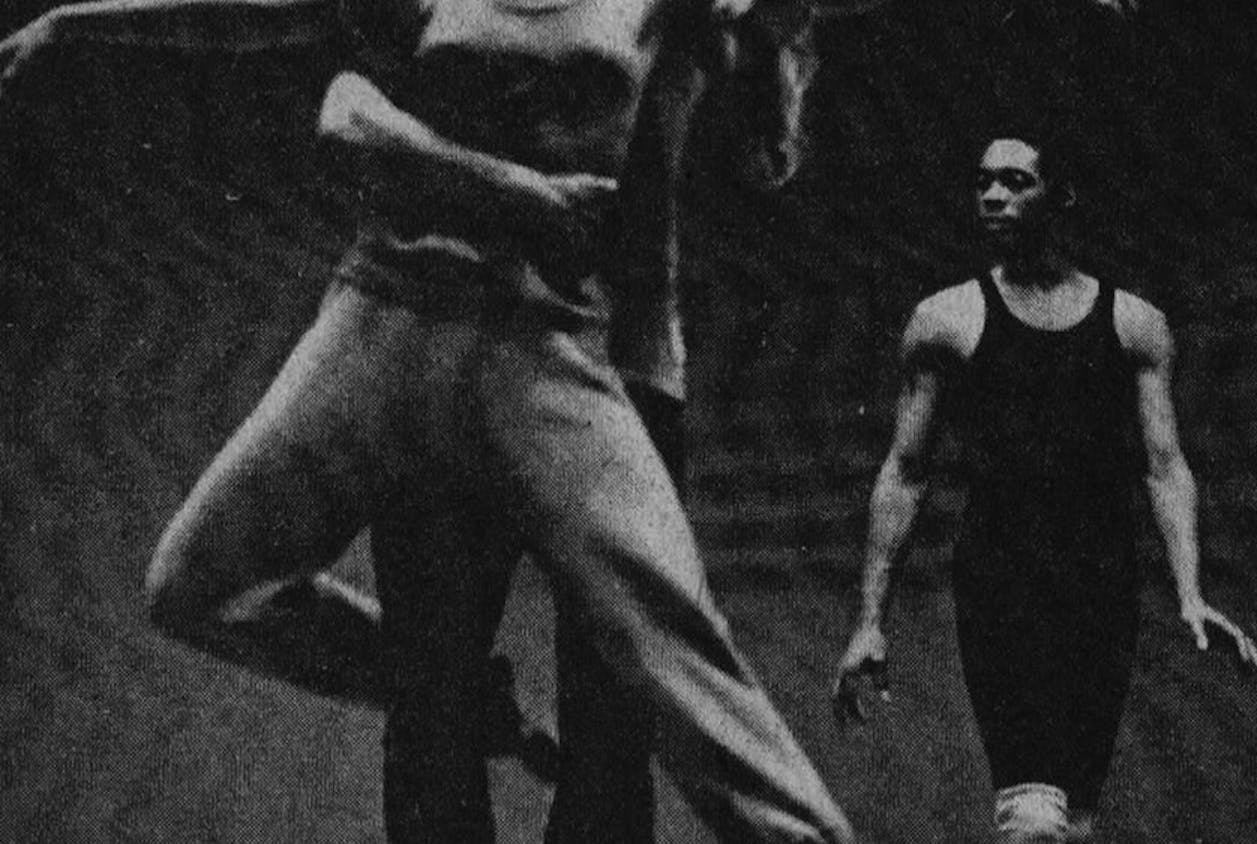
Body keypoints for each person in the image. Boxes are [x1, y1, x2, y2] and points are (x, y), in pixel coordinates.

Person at [1, 1, 853, 842]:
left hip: (551, 344)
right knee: (227, 603)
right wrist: (73, 21)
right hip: (390, 317)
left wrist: (775, 56)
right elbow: (259, 17)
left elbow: (765, 125)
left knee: (646, 678)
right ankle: (458, 691)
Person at [833, 131, 1257, 843]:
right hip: (1000, 580)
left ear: (1060, 196)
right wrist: (869, 621)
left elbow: (1165, 466)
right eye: (983, 182)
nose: (993, 196)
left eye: (1015, 182)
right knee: (1032, 820)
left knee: (1075, 824)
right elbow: (905, 472)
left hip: (1102, 584)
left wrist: (1190, 591)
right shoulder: (946, 322)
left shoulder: (1134, 325)